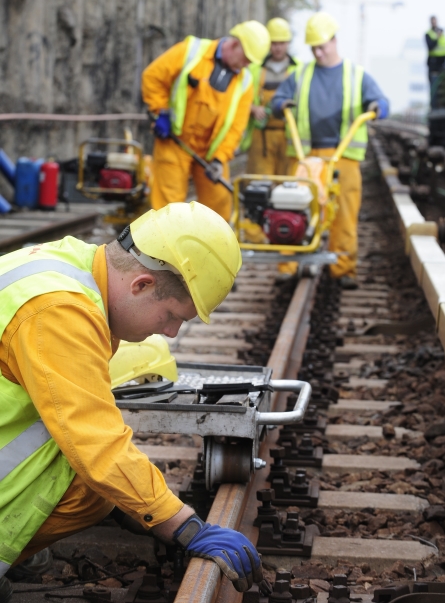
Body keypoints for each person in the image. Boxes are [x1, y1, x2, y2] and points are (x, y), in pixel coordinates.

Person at [0, 202, 265, 601]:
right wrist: (183, 525)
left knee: (101, 487)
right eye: (172, 315)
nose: (172, 332)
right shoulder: (60, 311)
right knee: (98, 476)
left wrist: (136, 500)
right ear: (141, 285)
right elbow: (97, 440)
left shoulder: (70, 267)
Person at [272, 12, 389, 289]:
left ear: (334, 40)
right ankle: (288, 267)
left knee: (345, 213)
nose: (318, 52)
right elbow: (278, 99)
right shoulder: (300, 75)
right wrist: (280, 105)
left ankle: (343, 269)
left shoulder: (356, 75)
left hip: (343, 157)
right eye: (313, 47)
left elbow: (380, 100)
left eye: (322, 45)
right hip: (306, 156)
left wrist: (377, 107)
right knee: (294, 209)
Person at [141, 21, 270, 222]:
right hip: (175, 142)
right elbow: (153, 77)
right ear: (235, 44)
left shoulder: (244, 82)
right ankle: (165, 252)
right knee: (168, 207)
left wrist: (219, 159)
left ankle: (212, 251)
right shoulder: (190, 52)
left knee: (219, 205)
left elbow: (236, 127)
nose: (246, 66)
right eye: (246, 59)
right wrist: (161, 111)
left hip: (210, 152)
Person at [242, 17, 302, 176]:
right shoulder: (253, 69)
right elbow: (238, 98)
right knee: (259, 182)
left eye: (282, 43)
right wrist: (253, 108)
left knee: (288, 181)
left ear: (288, 43)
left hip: (289, 137)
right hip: (261, 137)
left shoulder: (300, 70)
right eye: (274, 43)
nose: (278, 48)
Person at [425, 16, 445, 106]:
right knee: (433, 86)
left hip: (442, 64)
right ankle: (433, 107)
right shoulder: (428, 34)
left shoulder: (442, 34)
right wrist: (437, 38)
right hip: (433, 64)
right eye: (432, 21)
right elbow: (430, 46)